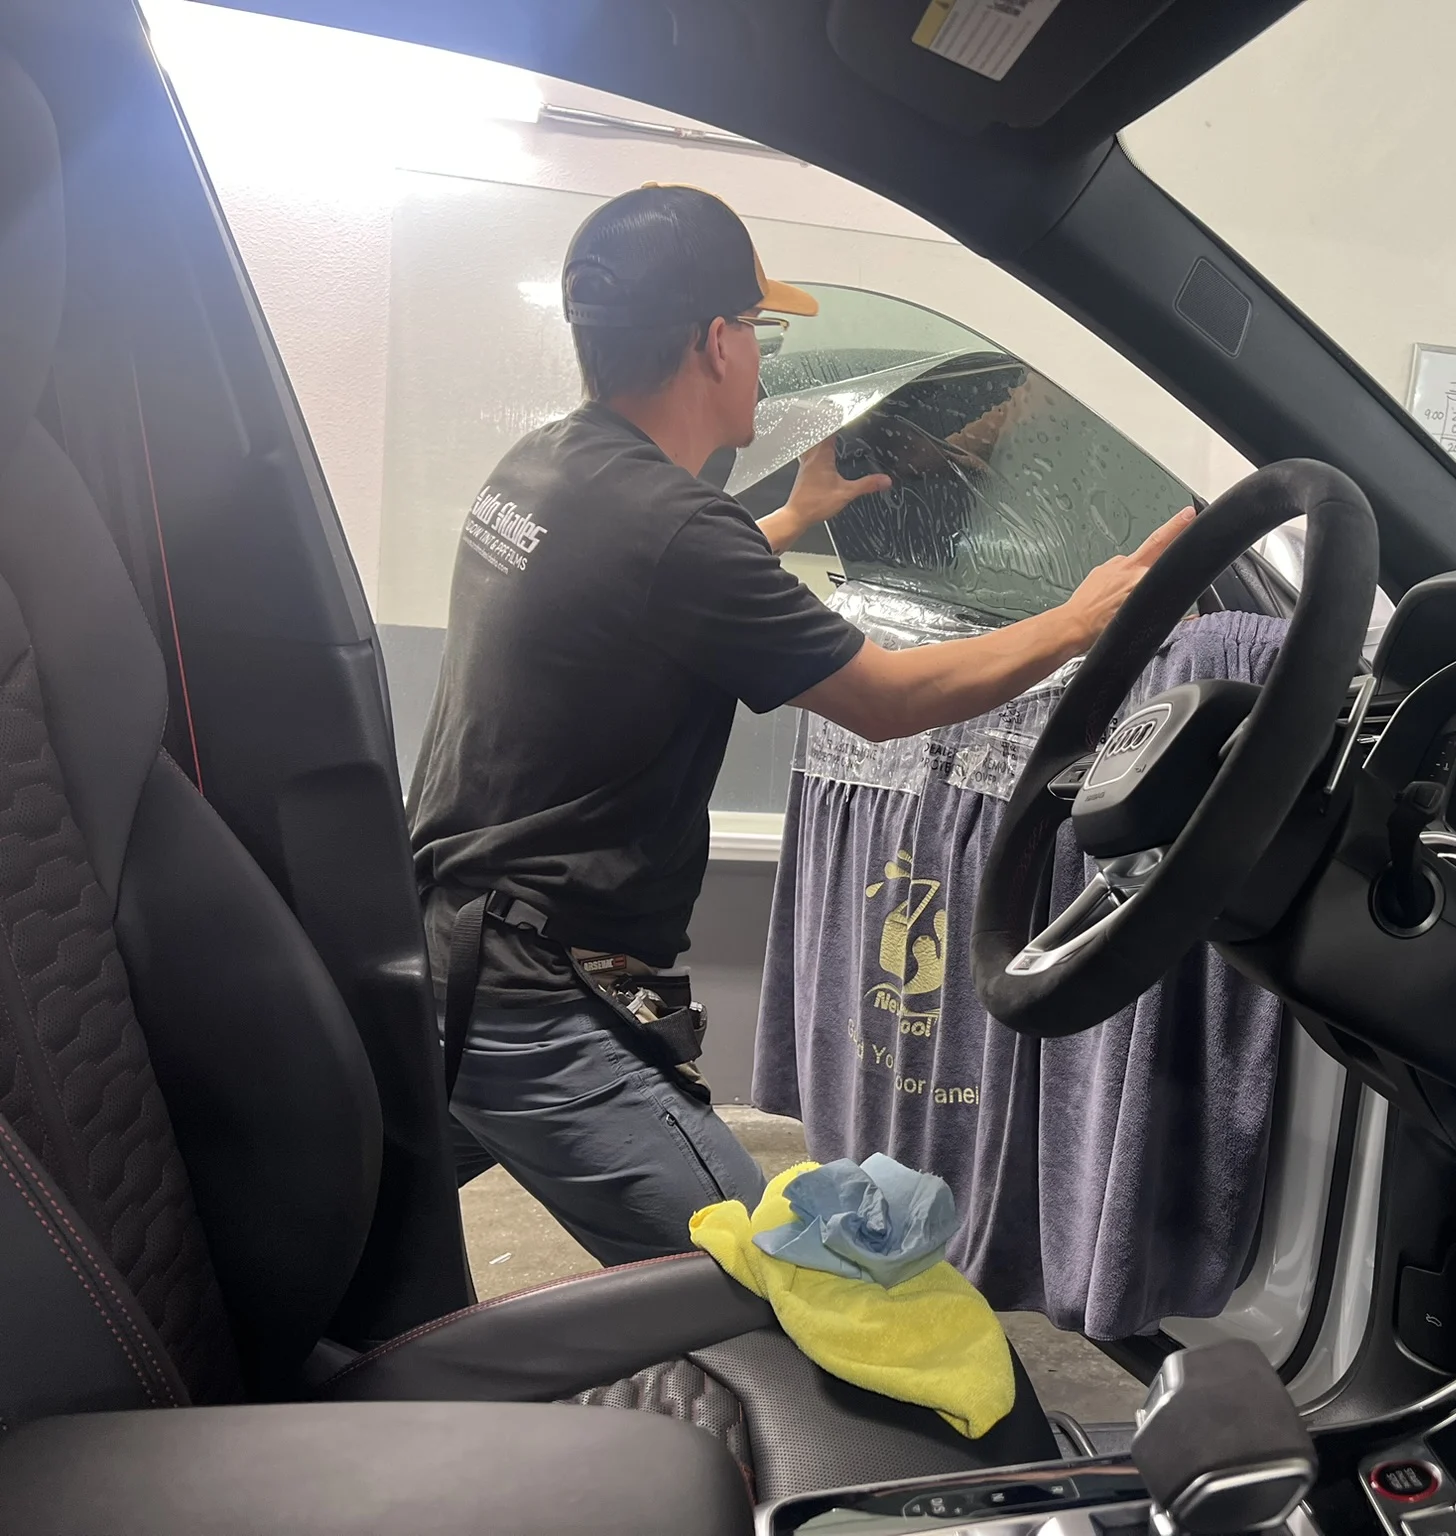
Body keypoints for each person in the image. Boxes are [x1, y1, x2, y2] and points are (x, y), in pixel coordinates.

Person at [408, 183, 1193, 1265]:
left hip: (445, 955)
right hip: (539, 999)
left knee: (370, 1248)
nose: (766, 360)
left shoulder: (544, 466)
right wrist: (1078, 621)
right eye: (761, 333)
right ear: (716, 342)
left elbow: (639, 581)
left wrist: (785, 520)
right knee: (761, 1281)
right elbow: (887, 703)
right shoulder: (676, 528)